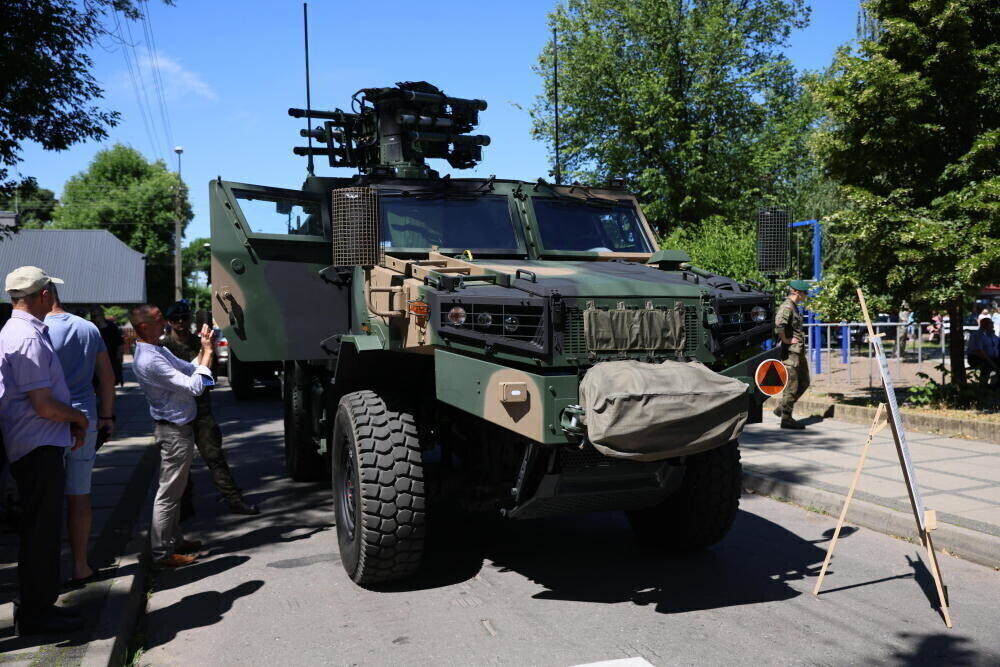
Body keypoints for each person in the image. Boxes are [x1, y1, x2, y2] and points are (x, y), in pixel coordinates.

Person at [0, 267, 88, 635]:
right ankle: (37, 613)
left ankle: (37, 608)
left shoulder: (15, 330)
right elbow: (44, 405)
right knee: (41, 532)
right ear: (44, 294)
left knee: (39, 530)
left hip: (33, 441)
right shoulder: (28, 337)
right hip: (38, 443)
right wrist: (79, 419)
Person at [129, 303, 215, 568]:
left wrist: (202, 348)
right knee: (168, 494)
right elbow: (195, 386)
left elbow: (189, 369)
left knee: (175, 491)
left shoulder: (157, 349)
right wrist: (209, 353)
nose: (165, 322)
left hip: (177, 429)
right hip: (174, 432)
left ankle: (174, 540)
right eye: (158, 319)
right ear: (143, 327)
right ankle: (161, 553)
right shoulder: (149, 359)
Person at [161, 301, 258, 516]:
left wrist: (209, 349)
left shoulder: (200, 342)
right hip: (177, 413)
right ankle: (183, 507)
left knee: (215, 457)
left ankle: (233, 499)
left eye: (184, 318)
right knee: (180, 464)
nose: (180, 323)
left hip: (202, 411)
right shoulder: (165, 347)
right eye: (175, 319)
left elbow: (211, 374)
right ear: (169, 322)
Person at [46, 289, 116, 584]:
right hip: (85, 418)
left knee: (45, 499)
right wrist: (107, 416)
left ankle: (45, 574)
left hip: (46, 419)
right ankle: (80, 565)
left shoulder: (35, 328)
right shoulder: (87, 328)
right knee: (79, 494)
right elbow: (107, 376)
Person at [773, 280, 811, 430]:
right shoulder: (787, 307)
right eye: (805, 292)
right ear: (797, 292)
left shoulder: (794, 307)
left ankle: (781, 408)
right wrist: (786, 340)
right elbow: (778, 325)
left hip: (798, 352)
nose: (806, 295)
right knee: (792, 387)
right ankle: (786, 419)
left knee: (805, 382)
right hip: (790, 353)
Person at [92, 308, 125, 387]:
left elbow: (119, 343)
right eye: (92, 316)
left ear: (101, 315)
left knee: (110, 383)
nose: (93, 318)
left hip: (111, 359)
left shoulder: (111, 327)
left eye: (95, 316)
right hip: (95, 361)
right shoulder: (91, 327)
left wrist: (119, 357)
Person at [967, 317, 1000, 392]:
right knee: (987, 366)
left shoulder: (993, 335)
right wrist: (991, 362)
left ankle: (995, 387)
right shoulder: (979, 335)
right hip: (977, 358)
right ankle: (983, 388)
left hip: (991, 358)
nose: (993, 325)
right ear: (984, 325)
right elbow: (978, 351)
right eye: (991, 323)